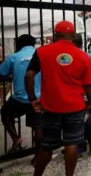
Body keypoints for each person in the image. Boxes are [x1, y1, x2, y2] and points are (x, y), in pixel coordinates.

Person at [25, 21, 91, 176]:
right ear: (73, 35)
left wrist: (32, 98)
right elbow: (88, 84)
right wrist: (90, 103)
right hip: (75, 106)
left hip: (50, 106)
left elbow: (29, 75)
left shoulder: (42, 52)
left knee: (47, 145)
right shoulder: (82, 56)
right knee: (71, 143)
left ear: (56, 34)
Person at [0, 34, 42, 165]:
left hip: (19, 99)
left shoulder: (14, 57)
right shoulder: (41, 54)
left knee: (5, 114)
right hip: (38, 98)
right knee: (38, 128)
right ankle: (38, 157)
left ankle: (16, 138)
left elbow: (1, 73)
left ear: (19, 44)